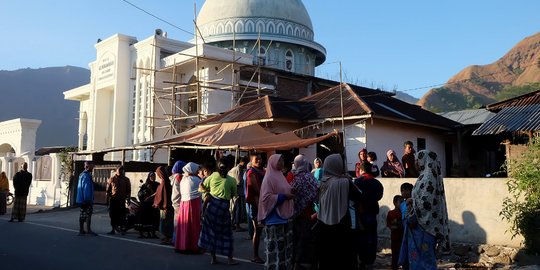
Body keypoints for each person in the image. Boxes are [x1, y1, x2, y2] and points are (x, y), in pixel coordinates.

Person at [399, 150, 450, 270]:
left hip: (423, 227)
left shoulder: (427, 178)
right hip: (425, 226)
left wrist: (411, 202)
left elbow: (425, 202)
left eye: (417, 160)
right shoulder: (427, 176)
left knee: (424, 260)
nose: (415, 163)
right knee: (423, 258)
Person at [315, 154, 362, 270]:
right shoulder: (344, 182)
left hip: (322, 225)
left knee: (326, 259)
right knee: (344, 259)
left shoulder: (321, 182)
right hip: (341, 225)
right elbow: (359, 196)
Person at [198, 158, 239, 265]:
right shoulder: (232, 180)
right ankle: (230, 259)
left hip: (211, 208)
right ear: (229, 168)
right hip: (223, 209)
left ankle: (213, 258)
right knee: (227, 234)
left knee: (212, 234)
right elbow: (233, 195)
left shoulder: (212, 176)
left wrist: (209, 191)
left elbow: (201, 188)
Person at [258, 154, 295, 270]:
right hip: (274, 220)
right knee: (274, 252)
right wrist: (283, 197)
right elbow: (266, 198)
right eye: (279, 161)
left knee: (283, 251)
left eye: (283, 160)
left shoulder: (280, 176)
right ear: (273, 163)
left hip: (284, 219)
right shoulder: (269, 178)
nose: (282, 162)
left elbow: (284, 189)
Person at [353, 162, 384, 270]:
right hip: (372, 213)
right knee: (371, 237)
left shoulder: (357, 182)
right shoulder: (377, 183)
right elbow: (379, 196)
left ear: (361, 170)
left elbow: (353, 197)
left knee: (361, 237)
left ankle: (361, 260)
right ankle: (370, 260)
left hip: (359, 214)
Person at [290, 154, 318, 269]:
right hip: (308, 214)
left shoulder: (294, 178)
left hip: (294, 214)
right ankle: (302, 262)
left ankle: (296, 262)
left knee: (296, 239)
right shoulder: (310, 177)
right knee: (305, 239)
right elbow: (317, 193)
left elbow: (291, 194)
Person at [175, 162, 202, 253]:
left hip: (183, 204)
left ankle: (182, 245)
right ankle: (193, 246)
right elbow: (201, 193)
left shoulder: (183, 179)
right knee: (193, 226)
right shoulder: (196, 180)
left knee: (184, 225)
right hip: (193, 204)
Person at [245, 154, 265, 264]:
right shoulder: (251, 172)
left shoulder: (262, 170)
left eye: (260, 158)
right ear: (251, 161)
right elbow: (257, 189)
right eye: (256, 159)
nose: (259, 160)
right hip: (255, 205)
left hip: (262, 203)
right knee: (257, 230)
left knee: (260, 230)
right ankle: (255, 256)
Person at [106, 165, 131, 235]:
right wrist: (108, 200)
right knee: (113, 215)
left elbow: (128, 190)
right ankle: (113, 229)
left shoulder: (126, 180)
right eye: (119, 169)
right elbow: (108, 190)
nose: (120, 171)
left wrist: (128, 199)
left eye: (122, 170)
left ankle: (122, 229)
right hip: (114, 200)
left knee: (122, 215)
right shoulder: (112, 179)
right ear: (116, 170)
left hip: (121, 200)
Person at [75, 161, 97, 236]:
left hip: (82, 199)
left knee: (83, 214)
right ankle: (88, 230)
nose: (93, 168)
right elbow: (86, 188)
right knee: (88, 214)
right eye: (92, 166)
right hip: (85, 200)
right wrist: (88, 199)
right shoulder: (86, 176)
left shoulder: (82, 174)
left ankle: (82, 230)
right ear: (88, 166)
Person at [154, 166, 174, 245]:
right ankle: (167, 238)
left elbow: (165, 195)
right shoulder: (164, 181)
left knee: (166, 223)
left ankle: (168, 238)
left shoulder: (165, 182)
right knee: (164, 223)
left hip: (166, 207)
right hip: (164, 206)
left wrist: (165, 206)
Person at [228, 156, 249, 232]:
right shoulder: (237, 169)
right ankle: (237, 225)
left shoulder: (235, 169)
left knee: (234, 208)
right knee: (237, 208)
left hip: (235, 191)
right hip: (237, 192)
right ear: (243, 162)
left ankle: (233, 224)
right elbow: (239, 181)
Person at [137, 171, 159, 238]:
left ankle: (153, 233)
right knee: (144, 219)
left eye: (154, 176)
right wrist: (144, 192)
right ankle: (144, 233)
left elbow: (158, 194)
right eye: (151, 176)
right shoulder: (145, 185)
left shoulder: (157, 184)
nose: (153, 177)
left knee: (154, 219)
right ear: (149, 177)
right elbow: (139, 194)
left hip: (153, 205)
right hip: (146, 205)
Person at [386, 195, 404, 270]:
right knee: (395, 254)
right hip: (395, 237)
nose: (402, 204)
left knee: (403, 253)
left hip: (403, 237)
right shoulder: (391, 213)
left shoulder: (404, 212)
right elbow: (388, 223)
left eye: (403, 202)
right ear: (394, 203)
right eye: (400, 202)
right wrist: (392, 227)